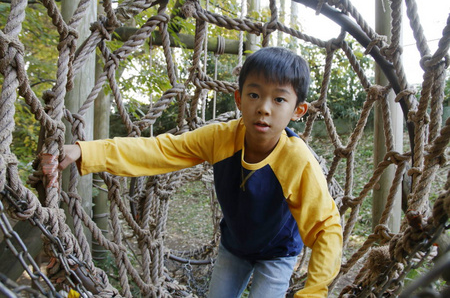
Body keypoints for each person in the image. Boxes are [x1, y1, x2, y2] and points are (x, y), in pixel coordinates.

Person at [59, 47, 342, 298]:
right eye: (254, 95)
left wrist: (314, 292)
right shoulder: (221, 138)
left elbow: (326, 227)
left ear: (298, 110)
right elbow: (161, 150)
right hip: (234, 247)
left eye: (279, 100)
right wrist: (87, 151)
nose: (264, 109)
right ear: (239, 99)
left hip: (278, 253)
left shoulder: (297, 161)